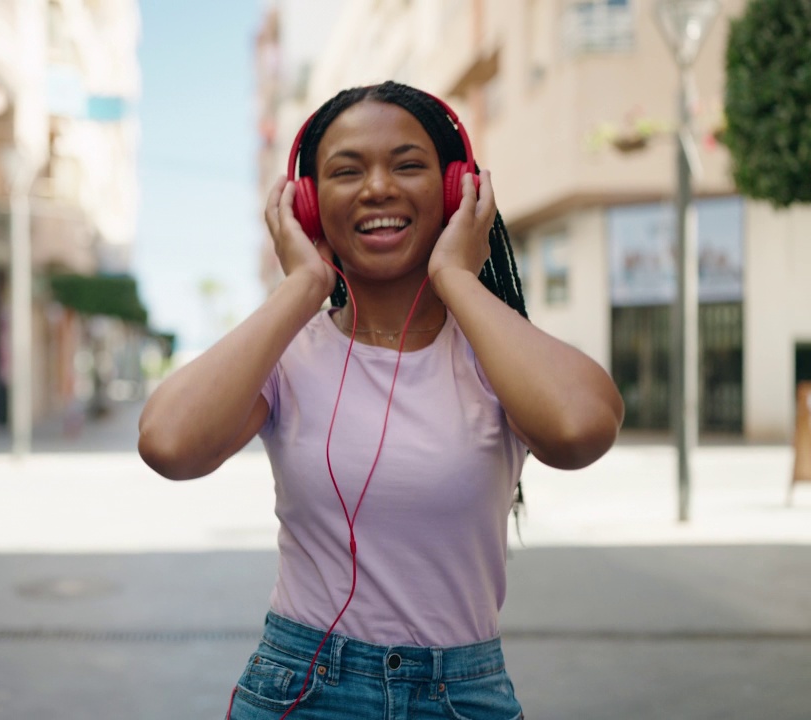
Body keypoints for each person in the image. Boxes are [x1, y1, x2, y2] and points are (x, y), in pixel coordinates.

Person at [137, 81, 624, 719]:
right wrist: (304, 286)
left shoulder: (495, 352)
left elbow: (582, 428)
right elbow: (168, 444)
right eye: (346, 171)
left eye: (408, 165)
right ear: (308, 205)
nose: (377, 189)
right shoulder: (287, 352)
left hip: (460, 695)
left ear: (457, 189)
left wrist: (456, 278)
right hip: (301, 688)